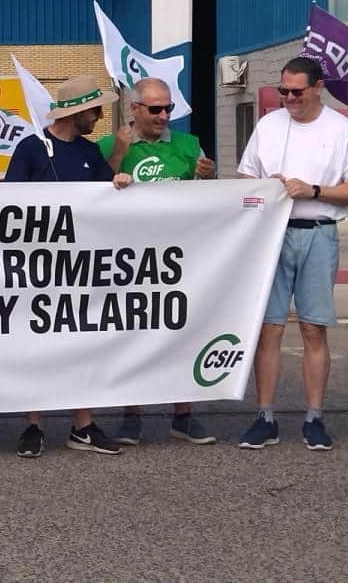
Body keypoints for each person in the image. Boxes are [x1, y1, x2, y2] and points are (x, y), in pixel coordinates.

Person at [236, 57, 348, 451]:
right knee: (269, 328)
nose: (289, 98)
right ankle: (265, 416)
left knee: (313, 328)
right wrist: (267, 186)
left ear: (318, 87)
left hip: (319, 233)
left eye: (296, 91)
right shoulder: (268, 125)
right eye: (283, 91)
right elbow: (245, 175)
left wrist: (312, 190)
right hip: (272, 235)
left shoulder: (341, 129)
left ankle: (314, 417)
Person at [4, 75, 132, 458]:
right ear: (77, 111)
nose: (99, 117)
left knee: (81, 342)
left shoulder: (89, 152)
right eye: (95, 111)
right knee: (35, 344)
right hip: (36, 265)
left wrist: (118, 176)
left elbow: (106, 193)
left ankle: (83, 425)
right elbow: (8, 203)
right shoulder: (30, 148)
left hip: (80, 266)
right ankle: (33, 424)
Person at [97, 78, 218, 447]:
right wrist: (118, 156)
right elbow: (91, 194)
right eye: (155, 109)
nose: (164, 115)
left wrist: (208, 176)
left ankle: (183, 414)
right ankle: (131, 414)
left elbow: (209, 201)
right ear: (134, 109)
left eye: (168, 108)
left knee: (183, 330)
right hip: (128, 258)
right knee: (129, 333)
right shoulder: (108, 145)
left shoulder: (189, 144)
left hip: (179, 256)